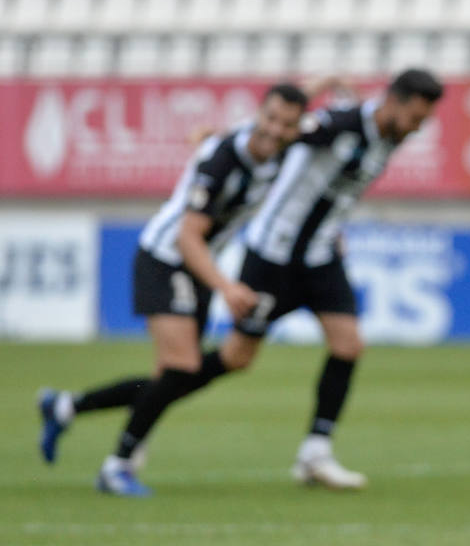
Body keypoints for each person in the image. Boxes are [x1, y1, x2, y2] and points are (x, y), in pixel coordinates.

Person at [81, 67, 444, 495]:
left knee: (348, 344)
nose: (418, 128)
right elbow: (277, 127)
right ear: (394, 102)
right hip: (273, 257)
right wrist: (222, 138)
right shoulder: (340, 124)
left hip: (322, 255)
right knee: (228, 360)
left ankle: (316, 452)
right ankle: (113, 410)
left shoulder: (389, 137)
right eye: (416, 118)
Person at [37, 82, 310, 496]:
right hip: (166, 259)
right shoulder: (221, 161)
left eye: (286, 124)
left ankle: (67, 407)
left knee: (178, 376)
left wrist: (330, 82)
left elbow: (298, 99)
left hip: (199, 268)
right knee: (181, 368)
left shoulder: (279, 149)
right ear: (259, 115)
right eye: (270, 119)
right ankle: (117, 467)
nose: (275, 130)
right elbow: (187, 237)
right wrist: (227, 288)